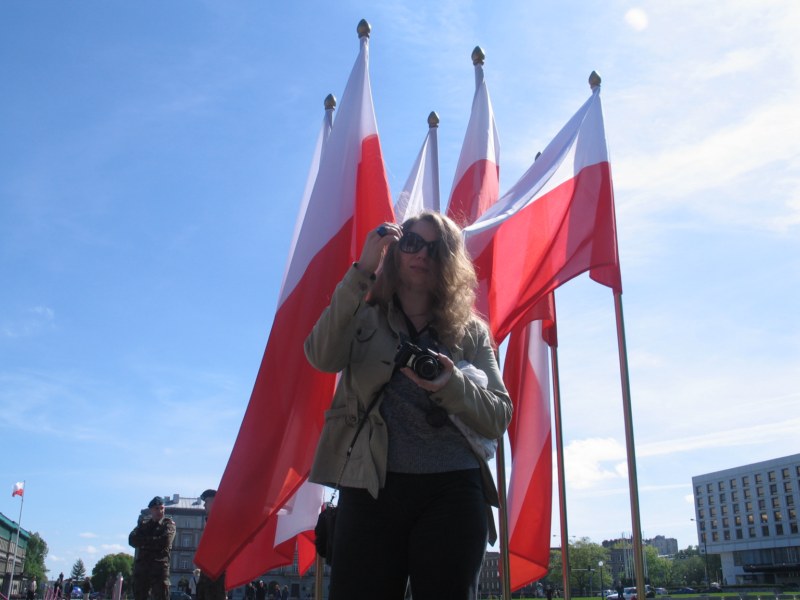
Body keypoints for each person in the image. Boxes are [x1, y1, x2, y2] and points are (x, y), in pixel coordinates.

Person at [305, 212, 512, 600]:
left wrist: (452, 385)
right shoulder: (363, 315)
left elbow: (499, 415)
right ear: (396, 251)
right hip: (370, 487)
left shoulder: (472, 331)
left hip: (452, 491)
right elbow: (320, 355)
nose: (422, 255)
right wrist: (362, 270)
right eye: (413, 243)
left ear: (450, 260)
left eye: (436, 249)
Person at [128, 496, 176, 600]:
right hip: (142, 570)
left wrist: (143, 542)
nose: (160, 511)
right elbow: (131, 540)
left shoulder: (168, 524)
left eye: (162, 508)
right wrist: (154, 541)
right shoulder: (143, 525)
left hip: (159, 570)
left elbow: (165, 541)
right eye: (156, 508)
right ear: (151, 510)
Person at [196, 490, 226, 600]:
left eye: (206, 501)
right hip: (206, 574)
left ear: (216, 501)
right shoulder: (210, 521)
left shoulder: (223, 520)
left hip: (216, 575)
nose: (204, 505)